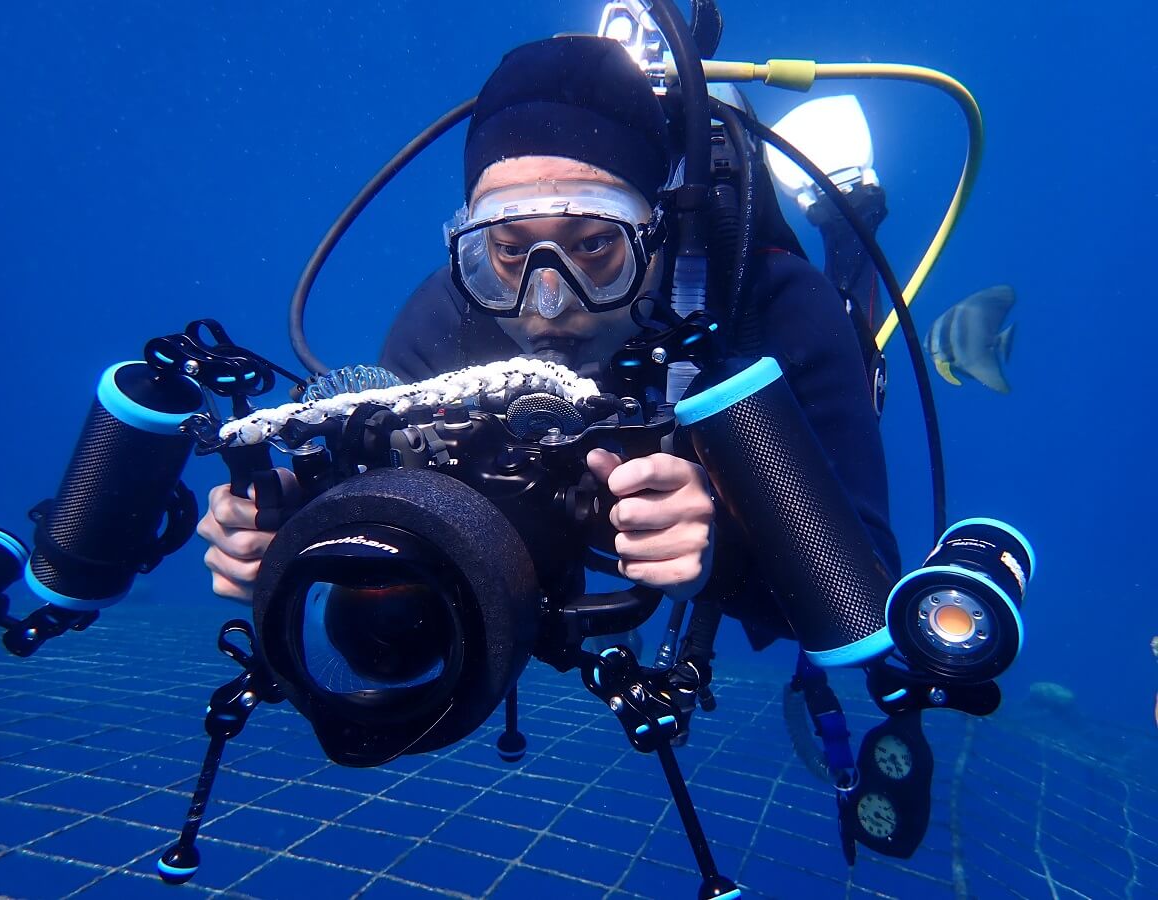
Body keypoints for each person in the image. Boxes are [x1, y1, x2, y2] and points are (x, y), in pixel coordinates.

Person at [198, 35, 899, 651]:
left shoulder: (773, 307)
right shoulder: (447, 318)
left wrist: (726, 558)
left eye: (594, 245)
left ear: (657, 234)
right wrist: (302, 522)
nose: (548, 302)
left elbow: (869, 588)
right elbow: (398, 502)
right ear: (471, 244)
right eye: (508, 250)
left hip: (743, 361)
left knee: (849, 305)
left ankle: (850, 212)